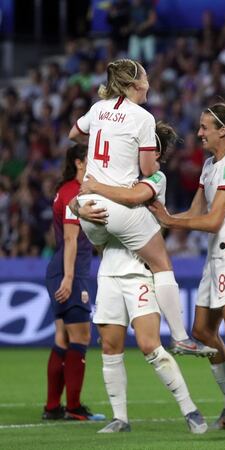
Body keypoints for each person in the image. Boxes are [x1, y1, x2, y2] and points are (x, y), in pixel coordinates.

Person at [68, 58, 212, 357]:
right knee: (161, 263)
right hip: (118, 206)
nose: (149, 82)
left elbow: (73, 134)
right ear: (136, 85)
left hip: (87, 207)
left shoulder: (98, 108)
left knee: (114, 252)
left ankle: (110, 323)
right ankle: (181, 337)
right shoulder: (143, 118)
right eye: (146, 77)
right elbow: (147, 169)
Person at [74, 122, 208, 434]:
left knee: (149, 345)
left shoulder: (155, 178)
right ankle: (120, 418)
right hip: (109, 269)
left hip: (139, 271)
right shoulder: (114, 173)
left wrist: (95, 189)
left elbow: (133, 199)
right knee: (109, 345)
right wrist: (79, 209)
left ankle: (189, 408)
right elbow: (77, 197)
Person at [148, 103, 225, 432]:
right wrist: (165, 220)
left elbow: (214, 219)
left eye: (205, 127)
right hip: (214, 259)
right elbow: (195, 211)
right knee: (202, 332)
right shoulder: (209, 166)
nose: (199, 133)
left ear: (224, 132)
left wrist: (170, 220)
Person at [42, 145, 102, 421]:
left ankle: (53, 407)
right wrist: (69, 277)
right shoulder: (73, 194)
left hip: (60, 267)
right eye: (91, 159)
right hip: (71, 270)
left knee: (62, 338)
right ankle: (74, 408)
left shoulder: (66, 189)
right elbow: (69, 238)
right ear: (80, 163)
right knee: (81, 337)